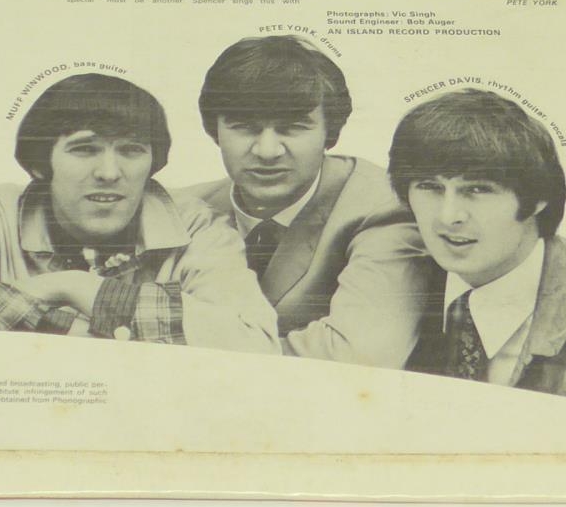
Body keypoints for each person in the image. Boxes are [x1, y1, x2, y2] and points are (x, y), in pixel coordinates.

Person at [0, 72, 278, 353]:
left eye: (131, 150)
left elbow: (255, 343)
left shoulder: (195, 224)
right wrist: (83, 321)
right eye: (85, 149)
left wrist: (79, 288)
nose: (109, 172)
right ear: (42, 162)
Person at [176, 34, 430, 365]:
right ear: (215, 131)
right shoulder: (183, 211)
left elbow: (361, 356)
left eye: (293, 127)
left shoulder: (383, 206)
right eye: (244, 127)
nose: (267, 151)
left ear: (329, 132)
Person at [388, 89, 566, 409]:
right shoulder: (387, 278)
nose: (448, 217)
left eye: (477, 189)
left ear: (537, 199)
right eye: (430, 187)